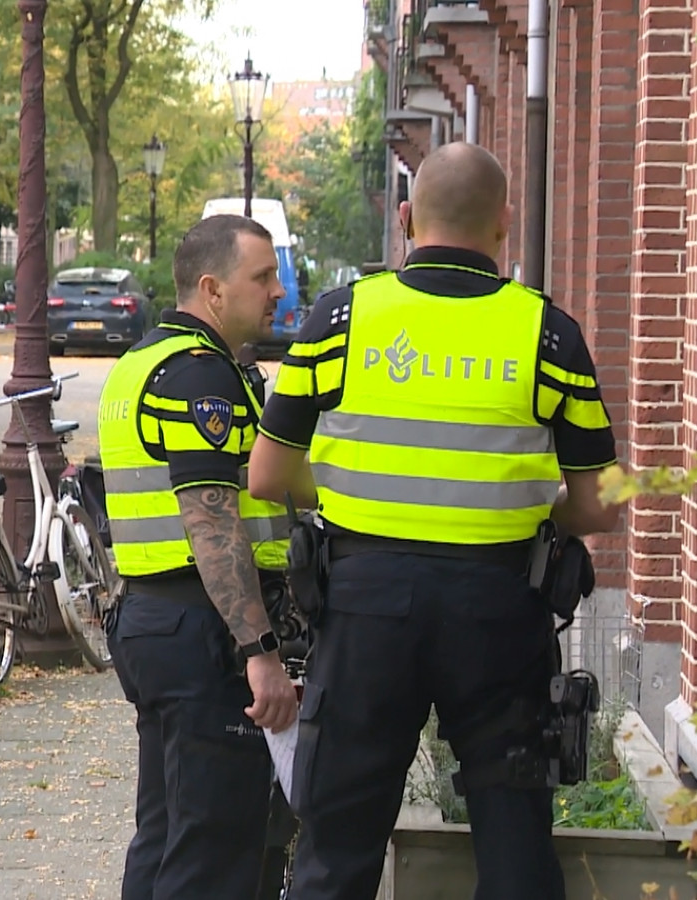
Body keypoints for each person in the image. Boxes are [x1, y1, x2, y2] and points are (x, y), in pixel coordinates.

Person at [246, 141, 624, 900]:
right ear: (504, 224)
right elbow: (601, 504)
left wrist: (366, 494)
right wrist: (521, 499)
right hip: (498, 612)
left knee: (336, 846)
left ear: (408, 217)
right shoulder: (550, 334)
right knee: (516, 840)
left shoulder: (341, 319)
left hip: (364, 608)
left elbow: (268, 476)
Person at [98, 214, 301, 900]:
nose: (277, 291)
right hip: (204, 632)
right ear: (213, 289)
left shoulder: (143, 363)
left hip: (156, 623)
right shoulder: (200, 378)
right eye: (262, 277)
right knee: (214, 850)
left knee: (165, 839)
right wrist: (260, 650)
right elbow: (212, 526)